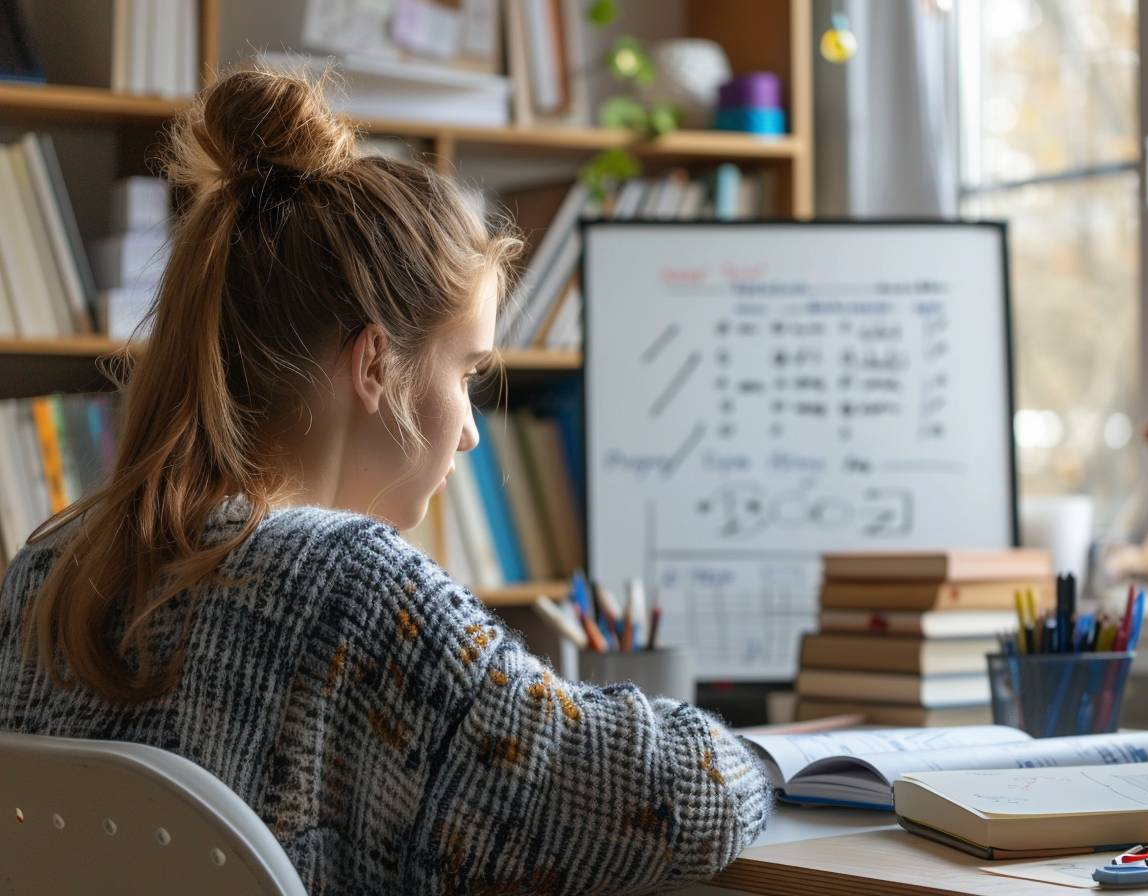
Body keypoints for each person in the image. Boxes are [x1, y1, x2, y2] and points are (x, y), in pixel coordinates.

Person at [0, 69, 772, 894]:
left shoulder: (42, 574)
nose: (472, 429)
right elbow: (686, 801)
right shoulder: (353, 589)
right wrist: (768, 755)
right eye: (466, 372)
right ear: (374, 363)